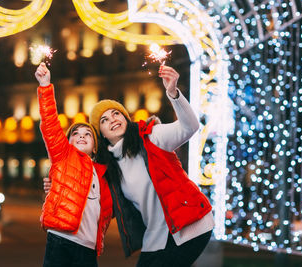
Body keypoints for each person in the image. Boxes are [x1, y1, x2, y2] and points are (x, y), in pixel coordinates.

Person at [43, 65, 214, 267]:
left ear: (125, 117)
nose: (112, 120)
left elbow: (190, 127)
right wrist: (59, 189)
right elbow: (96, 200)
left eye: (116, 113)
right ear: (102, 135)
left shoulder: (151, 137)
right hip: (156, 236)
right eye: (104, 120)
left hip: (190, 224)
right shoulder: (109, 169)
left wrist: (173, 93)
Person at [35, 63, 112, 267]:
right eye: (75, 134)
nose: (81, 136)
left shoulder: (103, 174)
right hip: (61, 240)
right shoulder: (64, 156)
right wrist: (45, 86)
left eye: (88, 135)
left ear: (95, 147)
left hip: (88, 248)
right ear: (66, 143)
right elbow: (50, 124)